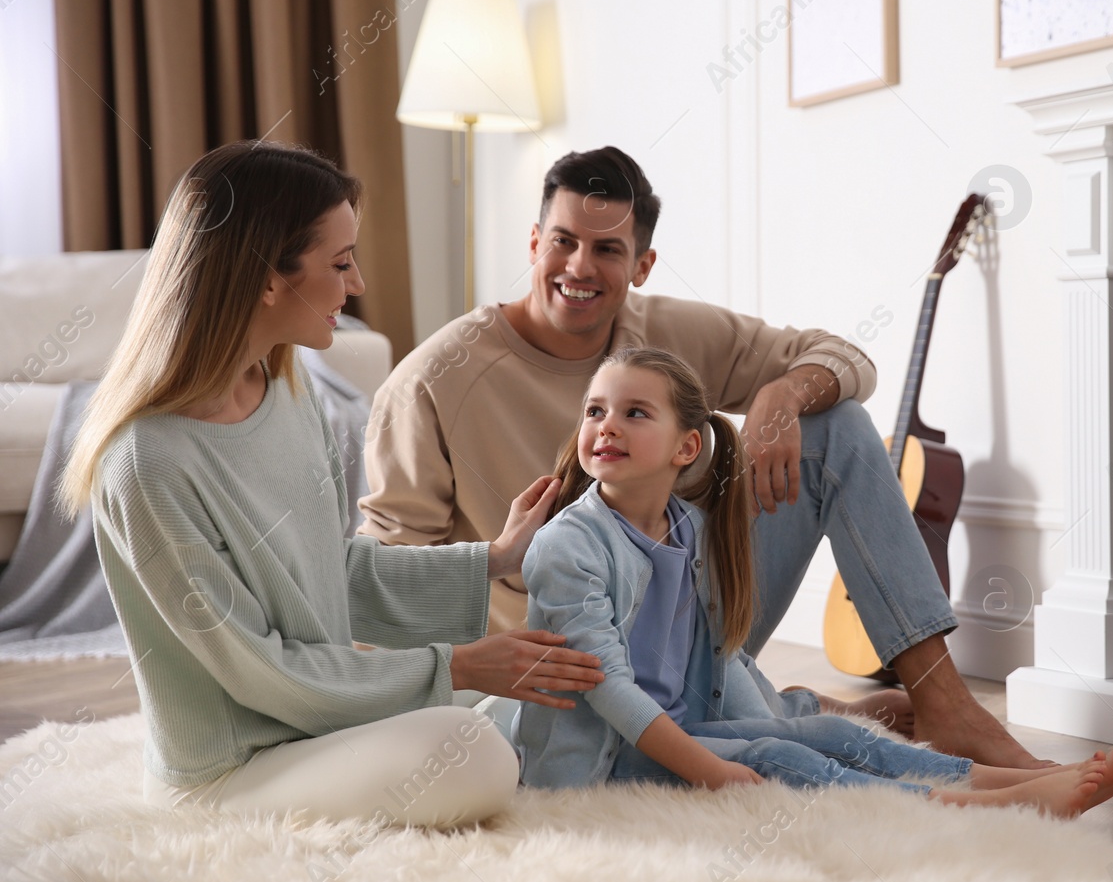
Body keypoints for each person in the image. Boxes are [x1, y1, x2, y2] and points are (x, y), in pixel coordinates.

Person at [359, 146, 1041, 769]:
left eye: (608, 249)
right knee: (758, 739)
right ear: (535, 242)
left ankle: (943, 701)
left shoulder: (662, 331)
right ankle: (792, 710)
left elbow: (848, 359)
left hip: (692, 616)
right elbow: (386, 578)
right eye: (563, 242)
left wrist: (779, 394)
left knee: (839, 423)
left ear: (642, 265)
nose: (579, 267)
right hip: (562, 655)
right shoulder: (431, 381)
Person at [61, 141, 607, 829]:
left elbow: (332, 568)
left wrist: (494, 557)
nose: (358, 285)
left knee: (563, 689)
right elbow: (262, 670)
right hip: (233, 771)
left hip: (317, 726)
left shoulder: (286, 389)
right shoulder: (147, 463)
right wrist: (459, 667)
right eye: (341, 262)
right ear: (266, 278)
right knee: (472, 751)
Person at [514, 347, 1113, 814]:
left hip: (682, 727)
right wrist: (716, 769)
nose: (606, 426)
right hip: (606, 758)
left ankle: (999, 779)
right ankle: (962, 807)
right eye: (595, 411)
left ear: (686, 448)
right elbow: (611, 692)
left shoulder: (690, 528)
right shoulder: (568, 546)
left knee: (825, 733)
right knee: (778, 758)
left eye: (634, 412)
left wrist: (773, 722)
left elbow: (713, 651)